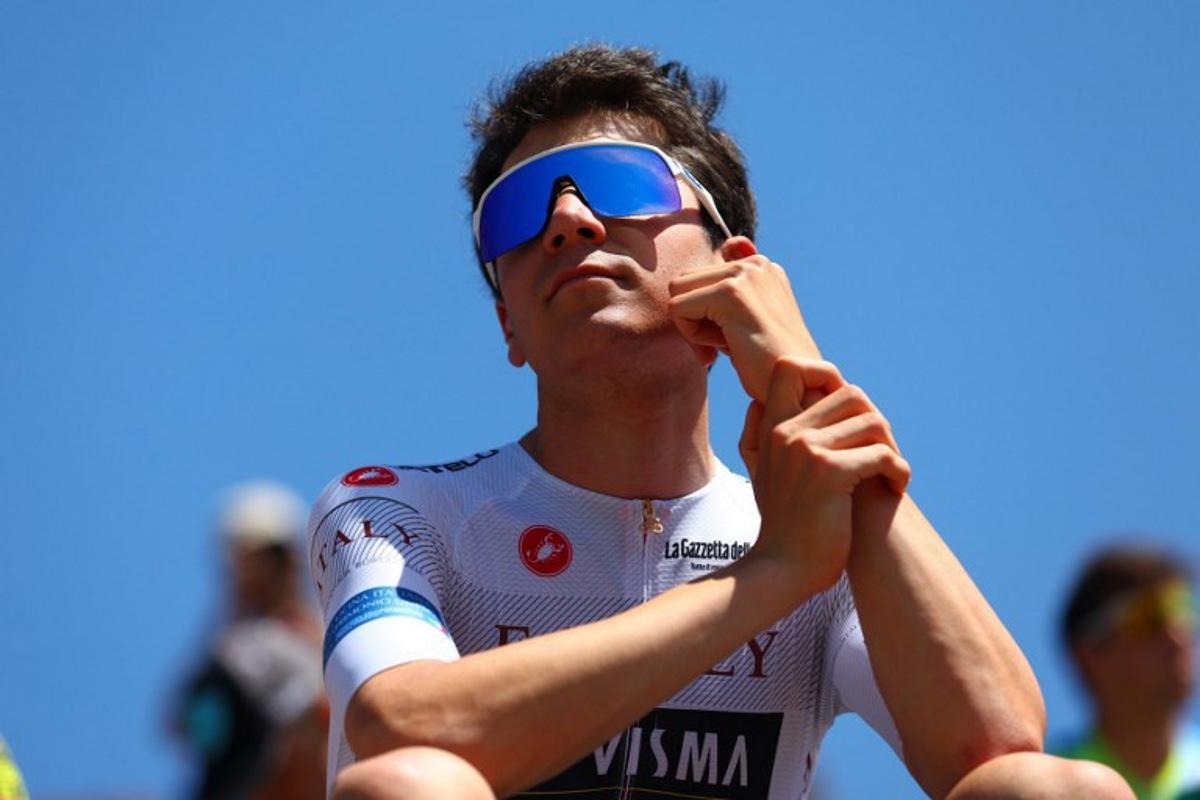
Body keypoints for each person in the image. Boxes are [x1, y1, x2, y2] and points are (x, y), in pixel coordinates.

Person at [310, 45, 1131, 799]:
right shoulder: (392, 508)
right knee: (411, 785)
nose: (568, 221)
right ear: (508, 329)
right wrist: (769, 576)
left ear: (733, 266)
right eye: (516, 213)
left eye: (622, 182)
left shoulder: (817, 527)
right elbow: (404, 724)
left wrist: (802, 383)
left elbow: (993, 744)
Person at [172, 480, 328, 799]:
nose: (243, 571)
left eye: (254, 557)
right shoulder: (237, 649)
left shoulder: (307, 638)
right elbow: (185, 723)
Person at [1057, 545, 1199, 799]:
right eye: (1152, 618)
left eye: (1184, 611)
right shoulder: (1041, 787)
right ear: (1089, 654)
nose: (1178, 637)